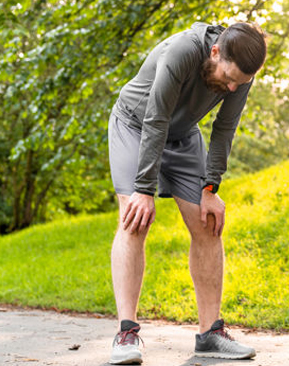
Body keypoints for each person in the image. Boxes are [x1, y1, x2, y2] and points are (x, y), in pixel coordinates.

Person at [106, 21, 267, 365]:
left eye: (241, 81)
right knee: (135, 219)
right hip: (136, 125)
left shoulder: (241, 72)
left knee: (208, 221)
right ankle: (126, 333)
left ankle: (210, 335)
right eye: (229, 78)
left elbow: (224, 128)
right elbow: (155, 118)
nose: (233, 86)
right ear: (214, 52)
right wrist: (143, 189)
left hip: (181, 133)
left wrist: (211, 186)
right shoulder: (182, 51)